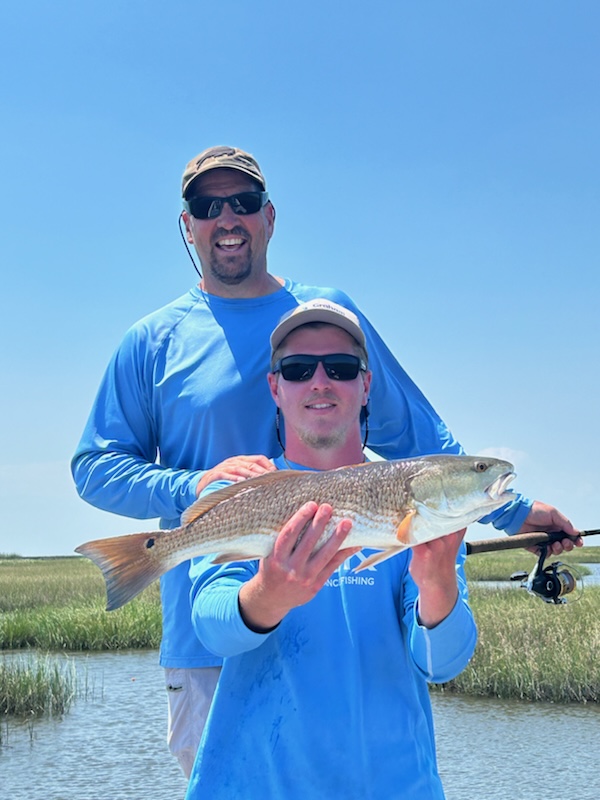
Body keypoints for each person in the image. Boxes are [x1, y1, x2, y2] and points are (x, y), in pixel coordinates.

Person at [71, 145, 580, 778]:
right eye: (207, 206)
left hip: (357, 610)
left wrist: (518, 511)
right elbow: (93, 466)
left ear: (270, 216)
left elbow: (421, 445)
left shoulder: (326, 317)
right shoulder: (150, 341)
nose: (227, 218)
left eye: (243, 202)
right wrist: (195, 486)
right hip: (218, 616)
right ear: (187, 224)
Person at [185, 304, 477, 799]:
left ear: (366, 385)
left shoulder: (422, 504)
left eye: (340, 368)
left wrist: (437, 584)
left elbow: (441, 664)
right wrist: (267, 596)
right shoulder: (238, 491)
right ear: (275, 388)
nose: (320, 382)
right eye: (298, 370)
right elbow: (211, 627)